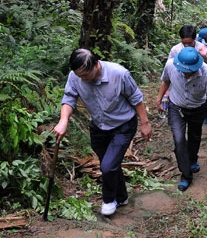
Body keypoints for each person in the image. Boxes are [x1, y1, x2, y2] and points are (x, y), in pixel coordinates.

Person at [53, 48, 151, 216]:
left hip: (123, 125)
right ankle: (121, 197)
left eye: (85, 75)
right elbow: (69, 98)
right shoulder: (75, 76)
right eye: (79, 76)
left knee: (107, 166)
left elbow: (136, 98)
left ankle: (109, 200)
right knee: (110, 164)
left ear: (96, 65)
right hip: (99, 126)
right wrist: (64, 120)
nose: (82, 79)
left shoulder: (119, 74)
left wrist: (145, 123)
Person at [156, 47, 207, 191]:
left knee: (194, 137)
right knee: (179, 139)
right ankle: (186, 175)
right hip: (176, 108)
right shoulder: (171, 66)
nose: (185, 73)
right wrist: (159, 99)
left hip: (197, 109)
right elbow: (165, 81)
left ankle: (192, 160)